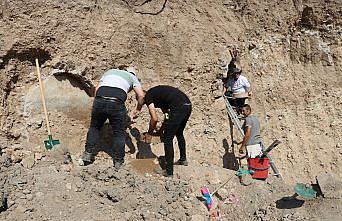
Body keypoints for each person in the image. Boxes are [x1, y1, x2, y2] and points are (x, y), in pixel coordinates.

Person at [81, 66, 144, 168]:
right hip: (116, 102)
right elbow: (141, 96)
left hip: (100, 98)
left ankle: (87, 154)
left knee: (94, 127)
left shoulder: (110, 71)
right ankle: (118, 162)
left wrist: (97, 103)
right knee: (119, 133)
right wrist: (138, 109)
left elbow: (97, 88)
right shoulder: (132, 77)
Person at [142, 85, 192, 177]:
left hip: (178, 107)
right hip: (187, 105)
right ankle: (183, 159)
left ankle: (169, 172)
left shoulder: (148, 96)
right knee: (179, 133)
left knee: (168, 139)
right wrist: (160, 131)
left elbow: (154, 118)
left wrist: (149, 133)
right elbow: (167, 116)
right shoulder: (160, 97)